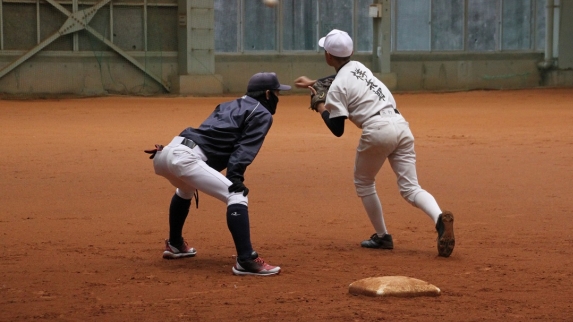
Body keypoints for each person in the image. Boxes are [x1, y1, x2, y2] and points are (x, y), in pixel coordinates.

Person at [294, 29, 455, 257]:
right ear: (350, 52)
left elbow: (337, 129)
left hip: (378, 130)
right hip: (401, 125)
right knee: (411, 188)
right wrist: (314, 83)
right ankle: (439, 218)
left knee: (364, 182)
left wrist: (320, 105)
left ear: (328, 56)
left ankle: (382, 236)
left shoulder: (337, 88)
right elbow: (340, 78)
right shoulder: (359, 67)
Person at [145, 72, 291, 276]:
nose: (278, 97)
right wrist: (235, 176)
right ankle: (246, 259)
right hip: (185, 158)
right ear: (267, 94)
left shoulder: (227, 105)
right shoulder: (261, 113)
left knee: (185, 189)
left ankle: (175, 244)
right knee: (236, 195)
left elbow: (210, 135)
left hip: (166, 152)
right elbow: (245, 146)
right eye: (277, 93)